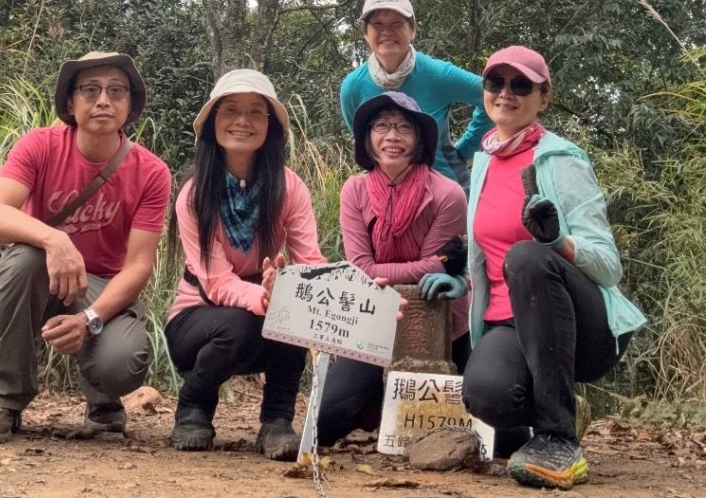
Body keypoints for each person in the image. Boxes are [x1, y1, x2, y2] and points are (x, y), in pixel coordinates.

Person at [427, 45, 646, 490]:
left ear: (543, 97)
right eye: (496, 82)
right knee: (485, 394)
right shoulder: (485, 156)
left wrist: (556, 241)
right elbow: (488, 246)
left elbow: (608, 266)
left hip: (582, 329)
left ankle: (558, 438)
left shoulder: (560, 158)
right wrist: (462, 278)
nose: (505, 93)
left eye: (521, 84)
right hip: (510, 323)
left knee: (526, 255)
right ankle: (558, 404)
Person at [0, 51, 172, 443]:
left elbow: (138, 266)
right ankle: (4, 402)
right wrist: (54, 238)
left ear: (131, 103)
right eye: (90, 90)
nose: (103, 101)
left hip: (100, 288)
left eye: (116, 90)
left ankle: (104, 400)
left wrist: (88, 318)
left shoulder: (151, 172)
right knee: (24, 259)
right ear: (70, 102)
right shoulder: (40, 146)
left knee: (122, 361)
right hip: (39, 275)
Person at [165, 69, 326, 460]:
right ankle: (194, 407)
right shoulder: (193, 195)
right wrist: (267, 296)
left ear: (271, 128)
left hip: (262, 311)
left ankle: (277, 420)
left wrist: (355, 297)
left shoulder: (289, 187)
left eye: (257, 112)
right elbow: (217, 283)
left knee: (295, 309)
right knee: (245, 321)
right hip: (197, 319)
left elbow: (311, 262)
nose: (243, 121)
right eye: (231, 110)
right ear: (212, 123)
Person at [316, 91, 470, 446]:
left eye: (404, 128)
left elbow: (430, 280)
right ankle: (378, 405)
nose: (392, 137)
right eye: (381, 126)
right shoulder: (354, 191)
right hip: (375, 322)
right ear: (367, 136)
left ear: (420, 139)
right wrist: (432, 264)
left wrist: (428, 268)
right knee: (325, 422)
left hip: (443, 323)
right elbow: (361, 268)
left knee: (497, 431)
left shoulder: (447, 194)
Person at [340, 0, 491, 191]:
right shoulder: (353, 87)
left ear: (413, 30)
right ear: (366, 34)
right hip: (391, 193)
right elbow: (365, 139)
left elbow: (491, 95)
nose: (387, 31)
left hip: (447, 189)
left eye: (397, 23)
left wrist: (464, 150)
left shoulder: (437, 74)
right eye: (377, 24)